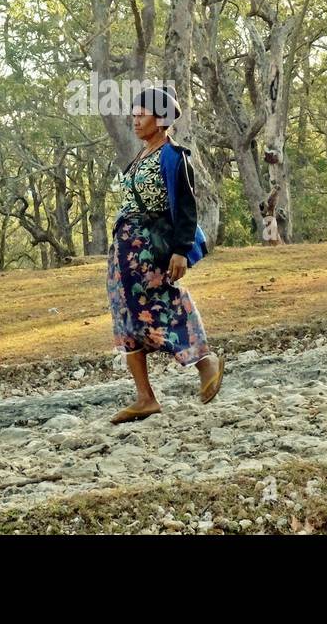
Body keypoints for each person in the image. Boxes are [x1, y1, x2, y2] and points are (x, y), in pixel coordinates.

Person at [107, 85, 224, 424]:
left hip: (150, 250)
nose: (135, 120)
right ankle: (145, 397)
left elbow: (187, 209)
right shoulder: (141, 155)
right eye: (134, 114)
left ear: (160, 120)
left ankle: (205, 363)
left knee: (163, 306)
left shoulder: (173, 156)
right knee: (126, 315)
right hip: (125, 251)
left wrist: (180, 252)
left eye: (141, 114)